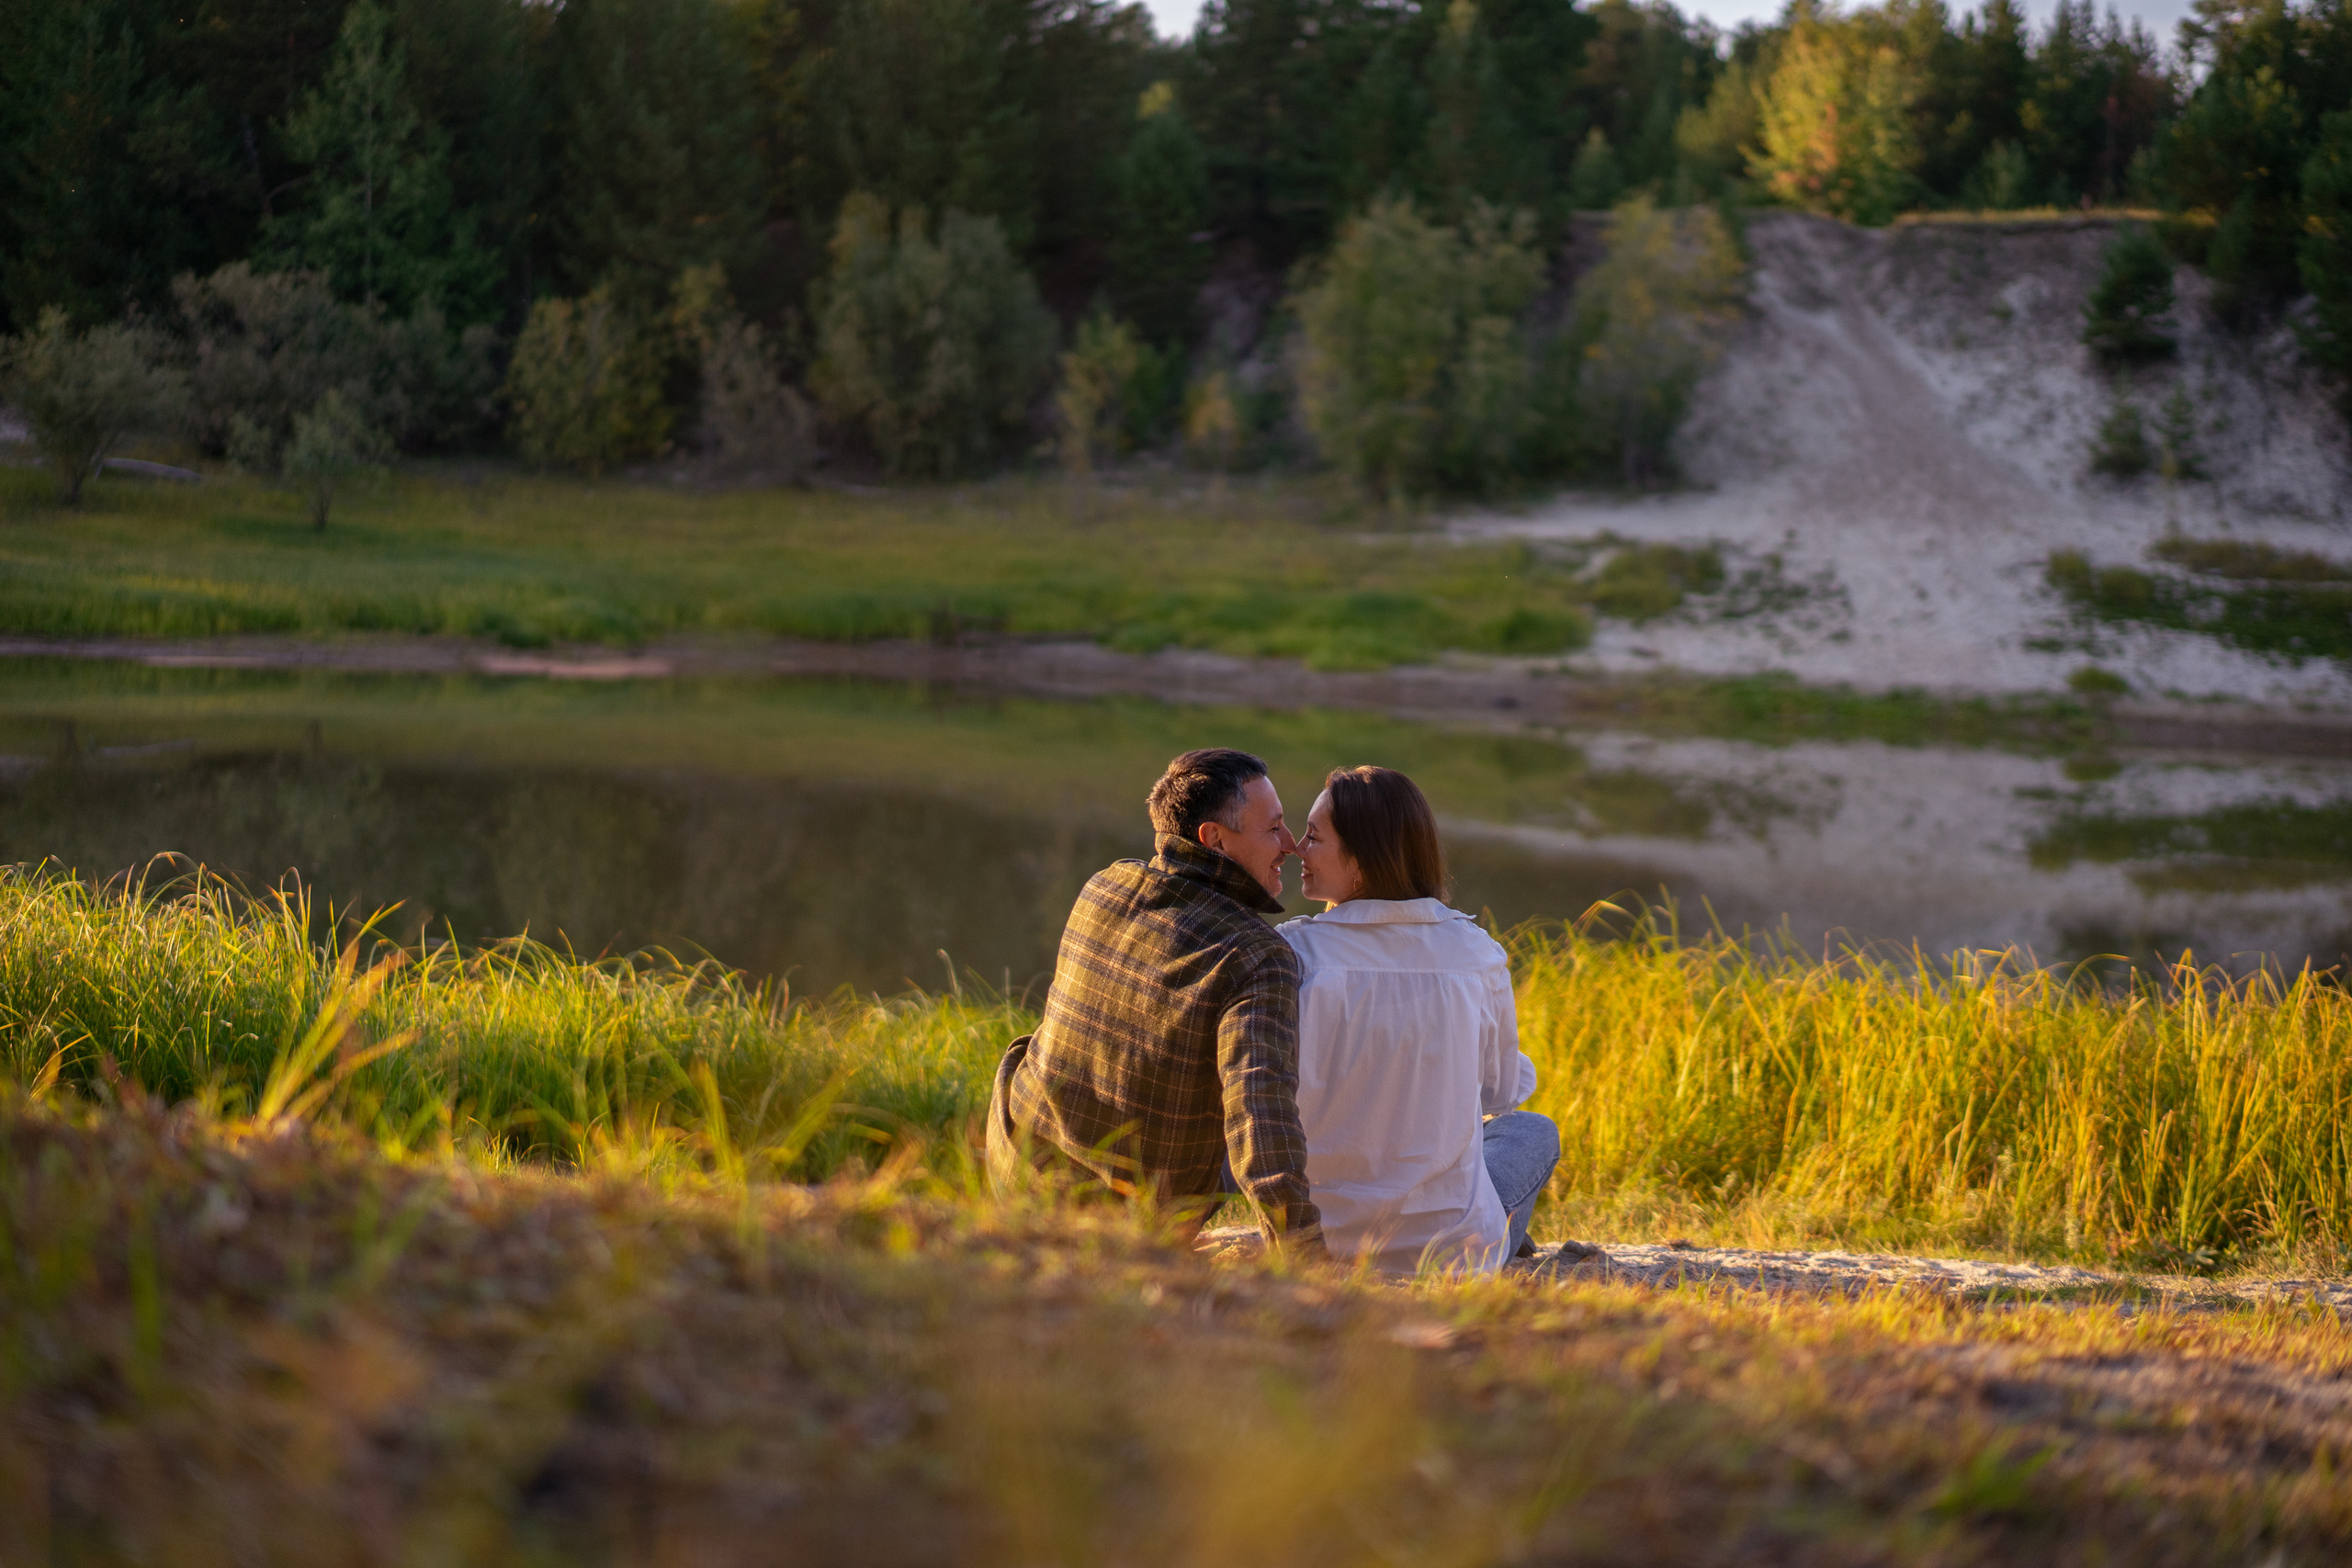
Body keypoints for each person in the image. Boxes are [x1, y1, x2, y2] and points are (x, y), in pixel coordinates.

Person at [986, 748, 1323, 1248]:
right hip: (1134, 1226)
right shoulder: (1258, 955)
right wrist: (1303, 1255)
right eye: (1273, 828)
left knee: (1032, 1048)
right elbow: (1260, 1119)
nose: (1290, 845)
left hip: (1018, 1168)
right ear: (1214, 839)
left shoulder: (1105, 885)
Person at [1282, 765, 1558, 1275]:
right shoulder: (1475, 953)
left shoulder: (1291, 954)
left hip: (1322, 1239)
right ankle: (1501, 1230)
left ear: (1362, 861)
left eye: (1314, 837)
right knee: (1532, 1131)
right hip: (1449, 1253)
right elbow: (1501, 1095)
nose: (1297, 848)